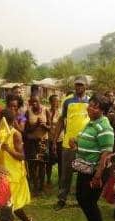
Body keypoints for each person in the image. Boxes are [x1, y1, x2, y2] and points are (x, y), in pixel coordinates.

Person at [73, 94, 114, 221]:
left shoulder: (104, 126)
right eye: (90, 104)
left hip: (96, 170)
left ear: (102, 110)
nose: (90, 108)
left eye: (95, 106)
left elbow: (106, 153)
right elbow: (89, 143)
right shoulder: (91, 123)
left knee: (89, 201)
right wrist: (76, 144)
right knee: (81, 197)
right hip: (85, 168)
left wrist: (98, 175)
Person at [0, 108, 36, 221]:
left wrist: (8, 150)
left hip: (14, 174)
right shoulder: (0, 133)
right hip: (3, 172)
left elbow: (22, 156)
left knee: (13, 203)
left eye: (0, 119)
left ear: (5, 120)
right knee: (4, 202)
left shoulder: (15, 134)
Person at [53, 75, 90, 210]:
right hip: (68, 144)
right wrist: (55, 138)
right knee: (66, 173)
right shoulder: (67, 101)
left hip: (85, 145)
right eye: (77, 85)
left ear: (86, 86)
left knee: (84, 172)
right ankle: (62, 199)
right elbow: (61, 121)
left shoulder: (90, 102)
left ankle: (82, 199)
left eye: (81, 85)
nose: (78, 87)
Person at [25, 95, 51, 194]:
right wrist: (36, 125)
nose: (34, 104)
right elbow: (26, 130)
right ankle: (35, 186)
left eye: (36, 102)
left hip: (43, 141)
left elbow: (50, 128)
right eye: (32, 102)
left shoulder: (46, 110)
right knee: (32, 164)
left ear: (40, 101)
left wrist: (44, 125)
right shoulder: (28, 112)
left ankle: (42, 186)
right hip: (32, 141)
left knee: (42, 164)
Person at [47, 94, 63, 186]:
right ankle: (48, 179)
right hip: (49, 139)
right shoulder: (47, 111)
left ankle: (60, 180)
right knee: (49, 161)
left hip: (60, 139)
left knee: (61, 161)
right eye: (54, 101)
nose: (56, 103)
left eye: (57, 101)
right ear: (50, 102)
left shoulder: (61, 112)